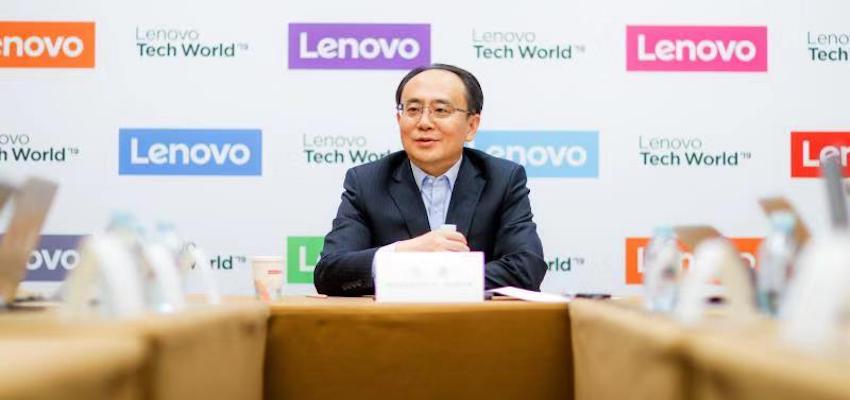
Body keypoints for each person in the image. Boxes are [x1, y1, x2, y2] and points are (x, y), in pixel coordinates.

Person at [314, 63, 546, 296]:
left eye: (441, 110)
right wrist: (402, 253)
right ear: (399, 119)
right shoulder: (367, 182)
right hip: (397, 319)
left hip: (473, 318)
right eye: (413, 110)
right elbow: (329, 272)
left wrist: (430, 276)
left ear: (471, 126)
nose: (424, 123)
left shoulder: (502, 179)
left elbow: (527, 268)